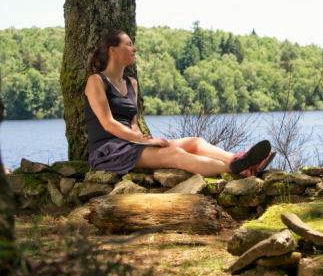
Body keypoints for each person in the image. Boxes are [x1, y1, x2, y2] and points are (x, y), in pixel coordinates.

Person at [84, 30, 276, 177]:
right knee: (174, 154)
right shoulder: (96, 81)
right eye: (129, 44)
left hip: (131, 144)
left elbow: (133, 124)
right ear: (113, 50)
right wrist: (144, 141)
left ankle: (238, 159)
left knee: (196, 142)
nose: (134, 49)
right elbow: (108, 123)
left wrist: (144, 140)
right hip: (108, 151)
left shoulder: (131, 83)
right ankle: (236, 169)